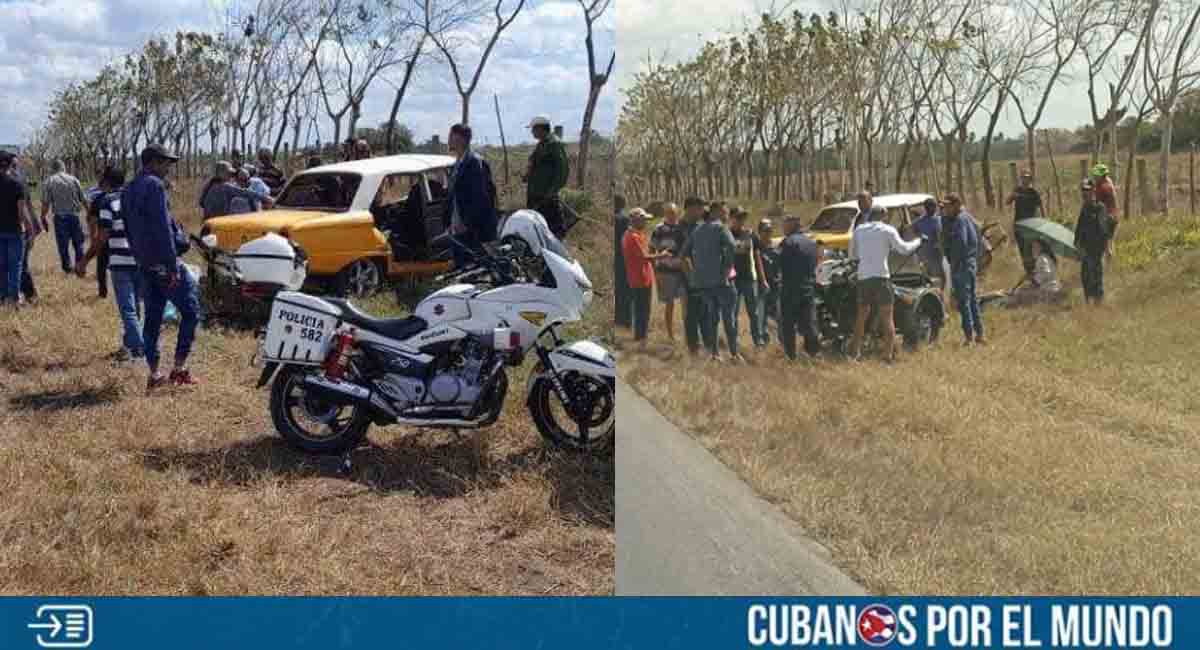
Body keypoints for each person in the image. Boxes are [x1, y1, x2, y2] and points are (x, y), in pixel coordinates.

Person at [123, 144, 202, 389]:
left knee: (152, 320)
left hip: (144, 263)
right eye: (166, 162)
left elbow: (127, 228)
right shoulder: (155, 186)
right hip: (164, 263)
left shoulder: (129, 189)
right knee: (190, 311)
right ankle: (178, 369)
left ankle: (154, 373)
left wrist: (141, 257)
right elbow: (162, 229)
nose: (168, 167)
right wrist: (171, 267)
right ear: (154, 162)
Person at [76, 167, 144, 361]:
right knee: (136, 307)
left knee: (127, 309)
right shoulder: (136, 198)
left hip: (120, 261)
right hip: (140, 259)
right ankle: (128, 347)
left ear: (107, 182)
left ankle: (139, 351)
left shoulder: (108, 202)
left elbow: (102, 237)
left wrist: (84, 260)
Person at [848, 204, 922, 362]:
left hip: (863, 278)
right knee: (887, 317)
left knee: (861, 316)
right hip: (881, 277)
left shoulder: (859, 230)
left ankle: (854, 353)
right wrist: (918, 241)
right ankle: (887, 355)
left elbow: (852, 255)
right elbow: (903, 249)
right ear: (883, 215)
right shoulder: (887, 230)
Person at [680, 201, 737, 362]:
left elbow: (683, 254)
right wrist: (726, 270)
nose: (726, 215)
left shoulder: (697, 230)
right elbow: (732, 246)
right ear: (716, 212)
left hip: (703, 283)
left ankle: (715, 353)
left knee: (712, 318)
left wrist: (693, 276)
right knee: (728, 318)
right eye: (724, 212)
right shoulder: (720, 227)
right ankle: (734, 353)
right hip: (721, 281)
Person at [446, 123, 498, 267]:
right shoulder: (458, 163)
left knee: (474, 269)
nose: (448, 140)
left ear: (461, 139)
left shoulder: (473, 163)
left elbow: (480, 197)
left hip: (470, 230)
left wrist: (467, 224)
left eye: (451, 136)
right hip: (458, 229)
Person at [941, 193, 985, 345]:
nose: (945, 209)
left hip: (961, 265)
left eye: (948, 206)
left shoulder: (960, 220)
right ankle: (979, 333)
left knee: (963, 301)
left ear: (956, 205)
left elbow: (961, 243)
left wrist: (954, 263)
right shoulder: (966, 217)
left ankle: (969, 337)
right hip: (970, 263)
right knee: (972, 299)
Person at [777, 215, 821, 360]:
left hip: (791, 288)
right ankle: (813, 352)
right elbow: (816, 263)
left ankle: (791, 356)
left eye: (785, 225)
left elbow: (781, 265)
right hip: (808, 287)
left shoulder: (788, 243)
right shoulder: (811, 243)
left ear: (791, 226)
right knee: (809, 322)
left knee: (788, 324)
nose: (783, 228)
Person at [621, 208, 666, 348]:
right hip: (638, 278)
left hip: (644, 276)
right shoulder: (632, 236)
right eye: (644, 219)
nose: (646, 222)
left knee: (644, 309)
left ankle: (642, 337)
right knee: (641, 309)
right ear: (635, 219)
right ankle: (640, 339)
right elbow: (643, 256)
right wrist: (661, 255)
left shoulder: (637, 234)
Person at [0, 151, 38, 306]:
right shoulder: (17, 184)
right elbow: (21, 213)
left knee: (1, 266)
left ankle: (2, 297)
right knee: (15, 266)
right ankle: (14, 299)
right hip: (15, 231)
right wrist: (31, 231)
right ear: (10, 165)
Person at [730, 208, 770, 347]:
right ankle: (734, 342)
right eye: (738, 217)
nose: (741, 221)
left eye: (743, 218)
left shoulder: (750, 234)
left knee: (754, 312)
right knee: (733, 313)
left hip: (748, 278)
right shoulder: (726, 234)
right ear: (731, 218)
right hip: (732, 280)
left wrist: (762, 279)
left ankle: (757, 340)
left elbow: (757, 256)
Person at [40, 159, 88, 274]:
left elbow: (46, 203)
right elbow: (84, 199)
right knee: (78, 243)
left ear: (53, 169)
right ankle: (80, 266)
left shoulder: (49, 181)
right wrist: (89, 213)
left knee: (63, 245)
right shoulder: (74, 179)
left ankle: (67, 268)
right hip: (74, 215)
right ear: (63, 167)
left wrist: (43, 217)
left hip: (60, 217)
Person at [525, 116, 570, 237]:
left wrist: (552, 192)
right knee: (538, 227)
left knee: (554, 229)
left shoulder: (554, 144)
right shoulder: (542, 144)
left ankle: (556, 253)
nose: (532, 132)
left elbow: (562, 171)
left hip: (546, 196)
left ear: (541, 129)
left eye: (533, 129)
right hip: (535, 194)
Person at [649, 202, 688, 342]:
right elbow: (651, 250)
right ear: (665, 213)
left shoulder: (682, 228)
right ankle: (670, 334)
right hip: (665, 272)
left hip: (681, 271)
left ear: (677, 213)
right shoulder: (658, 229)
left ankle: (688, 333)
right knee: (670, 303)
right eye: (669, 212)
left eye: (674, 212)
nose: (672, 215)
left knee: (686, 302)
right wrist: (655, 272)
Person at [1074, 179, 1112, 305]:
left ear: (1093, 191)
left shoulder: (1100, 208)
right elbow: (1079, 228)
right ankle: (1088, 301)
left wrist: (1107, 249)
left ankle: (1098, 301)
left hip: (1097, 248)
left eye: (1088, 190)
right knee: (1085, 276)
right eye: (1083, 191)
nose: (1085, 193)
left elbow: (1104, 230)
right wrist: (1077, 244)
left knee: (1096, 275)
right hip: (1085, 248)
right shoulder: (1084, 208)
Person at [680, 196, 708, 355]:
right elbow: (682, 256)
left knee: (704, 312)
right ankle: (693, 348)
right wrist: (692, 279)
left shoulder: (700, 226)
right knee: (691, 314)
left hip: (703, 278)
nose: (702, 211)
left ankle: (708, 345)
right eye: (700, 208)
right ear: (690, 208)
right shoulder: (681, 228)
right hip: (689, 279)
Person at [1005, 169, 1046, 275]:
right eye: (1023, 178)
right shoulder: (1017, 190)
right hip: (1018, 226)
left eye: (1027, 178)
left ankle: (1034, 272)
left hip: (1030, 226)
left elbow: (1041, 207)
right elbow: (1007, 202)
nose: (1025, 180)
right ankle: (1029, 273)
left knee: (1030, 250)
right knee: (1022, 250)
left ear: (1030, 179)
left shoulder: (1033, 192)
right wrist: (1012, 195)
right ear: (1021, 179)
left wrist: (1044, 221)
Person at [200, 161, 272, 219]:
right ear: (223, 174)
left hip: (208, 223)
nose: (230, 176)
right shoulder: (226, 187)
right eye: (229, 173)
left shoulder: (209, 185)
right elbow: (244, 193)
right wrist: (265, 198)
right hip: (220, 223)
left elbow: (201, 202)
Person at [1007, 239, 1063, 307]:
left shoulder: (1042, 258)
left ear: (1042, 248)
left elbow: (1046, 274)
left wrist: (1033, 279)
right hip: (1052, 288)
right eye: (1032, 247)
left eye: (1036, 247)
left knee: (1019, 294)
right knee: (1022, 290)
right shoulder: (1046, 257)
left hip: (1049, 290)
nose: (1033, 250)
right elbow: (1042, 272)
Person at [911, 197, 947, 289]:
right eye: (934, 206)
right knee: (939, 279)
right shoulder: (937, 220)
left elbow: (913, 231)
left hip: (925, 255)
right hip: (933, 255)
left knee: (929, 280)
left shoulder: (918, 221)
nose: (935, 208)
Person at [756, 219, 780, 338]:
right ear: (760, 232)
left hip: (775, 284)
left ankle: (781, 337)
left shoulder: (775, 247)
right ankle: (762, 339)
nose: (768, 233)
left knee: (777, 313)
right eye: (765, 230)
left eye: (770, 230)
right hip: (761, 285)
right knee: (762, 314)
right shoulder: (756, 248)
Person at [1091, 163, 1118, 258]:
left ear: (1100, 176)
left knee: (1103, 244)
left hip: (1105, 217)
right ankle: (1110, 263)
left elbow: (1095, 202)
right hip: (1114, 216)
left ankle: (1106, 262)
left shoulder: (1102, 188)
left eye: (1095, 176)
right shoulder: (1109, 182)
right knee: (1109, 242)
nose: (1094, 178)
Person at [613, 195, 632, 329]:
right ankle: (626, 320)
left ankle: (618, 318)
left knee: (618, 290)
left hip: (616, 259)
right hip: (626, 259)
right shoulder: (625, 219)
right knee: (626, 290)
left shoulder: (613, 219)